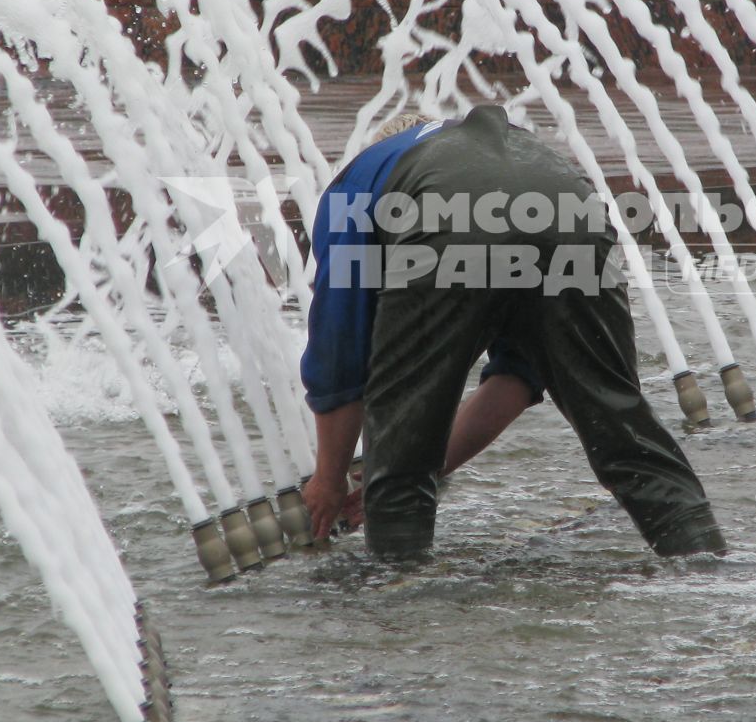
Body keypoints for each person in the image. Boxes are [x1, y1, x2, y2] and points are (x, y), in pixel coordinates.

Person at [299, 104, 726, 560]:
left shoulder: (360, 180)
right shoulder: (503, 151)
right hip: (569, 204)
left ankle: (401, 606)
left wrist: (335, 478)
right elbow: (519, 378)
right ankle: (705, 561)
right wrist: (428, 461)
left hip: (447, 211)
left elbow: (339, 348)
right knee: (618, 419)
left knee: (399, 456)